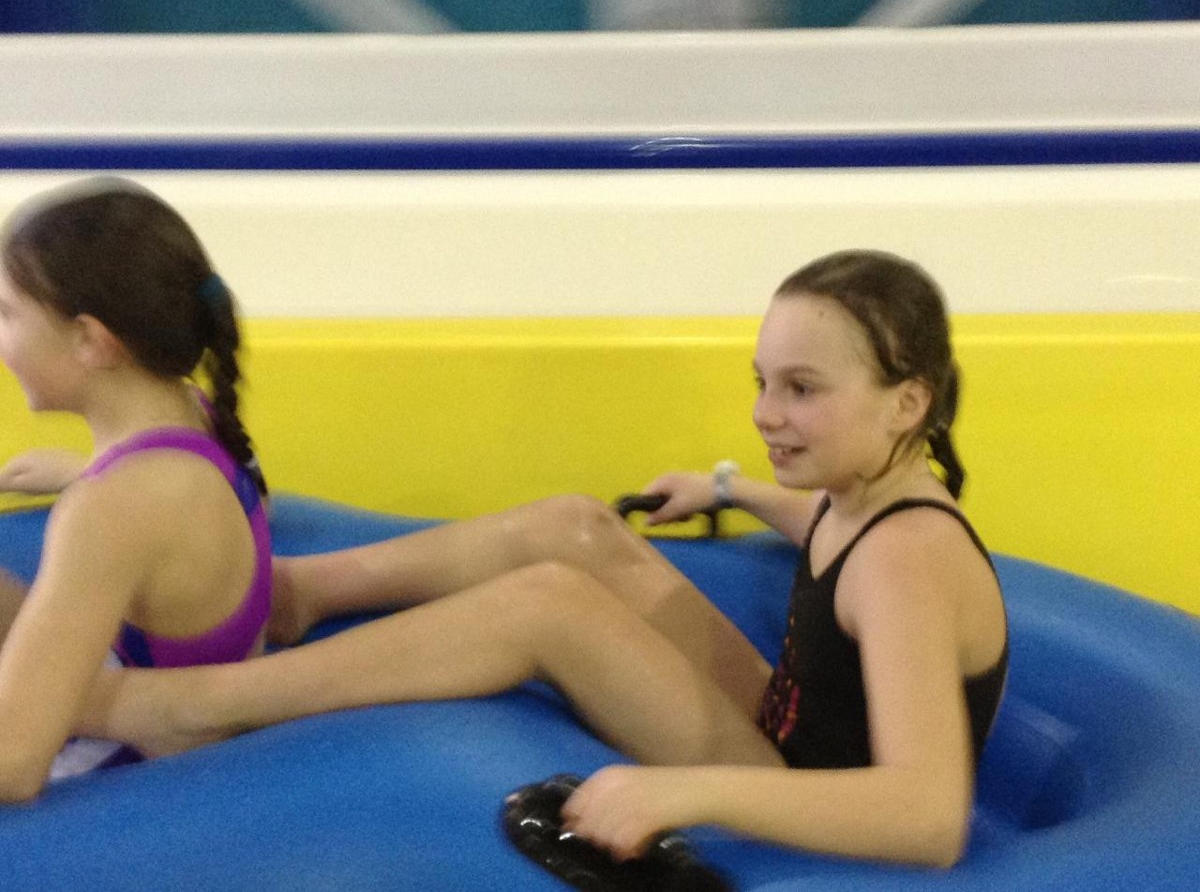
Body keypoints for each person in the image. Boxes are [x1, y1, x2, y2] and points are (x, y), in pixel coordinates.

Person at [86, 250, 1005, 868]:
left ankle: (200, 704)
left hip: (804, 795)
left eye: (802, 389)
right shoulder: (869, 493)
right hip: (786, 727)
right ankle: (295, 591)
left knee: (547, 607)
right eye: (763, 382)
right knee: (574, 529)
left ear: (907, 402)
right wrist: (731, 489)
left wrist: (681, 792)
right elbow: (826, 530)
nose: (768, 413)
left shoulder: (906, 559)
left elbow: (928, 818)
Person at [0, 177, 270, 801]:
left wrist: (89, 492)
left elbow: (14, 762)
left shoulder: (112, 507)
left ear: (91, 341)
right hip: (135, 675)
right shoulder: (195, 413)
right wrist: (79, 474)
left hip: (126, 771)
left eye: (9, 314)